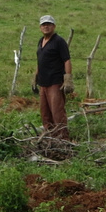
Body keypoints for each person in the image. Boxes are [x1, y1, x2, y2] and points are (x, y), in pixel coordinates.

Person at [32, 15, 74, 143]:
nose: (46, 26)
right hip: (43, 84)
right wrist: (35, 76)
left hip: (55, 82)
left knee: (57, 112)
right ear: (40, 27)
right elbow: (41, 61)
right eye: (43, 24)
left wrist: (68, 78)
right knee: (45, 113)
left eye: (49, 24)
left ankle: (63, 139)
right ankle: (49, 137)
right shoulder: (41, 41)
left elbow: (66, 60)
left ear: (54, 26)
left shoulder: (59, 41)